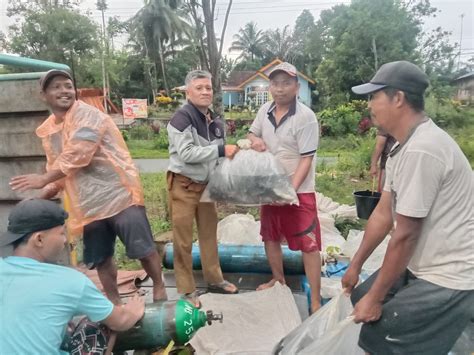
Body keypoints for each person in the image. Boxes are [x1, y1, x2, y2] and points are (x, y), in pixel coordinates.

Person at [343, 61, 474, 354]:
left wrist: (376, 300)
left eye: (374, 97)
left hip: (450, 275)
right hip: (420, 263)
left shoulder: (423, 149)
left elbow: (405, 235)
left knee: (380, 334)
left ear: (398, 98)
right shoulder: (401, 146)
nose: (370, 105)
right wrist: (355, 266)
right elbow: (382, 214)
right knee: (360, 296)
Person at [9, 69, 166, 305]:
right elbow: (59, 171)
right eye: (56, 87)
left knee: (142, 248)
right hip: (89, 205)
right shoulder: (51, 129)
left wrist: (42, 180)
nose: (64, 91)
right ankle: (114, 303)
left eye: (67, 85)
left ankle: (160, 286)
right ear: (43, 94)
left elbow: (77, 155)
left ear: (75, 91)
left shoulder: (88, 115)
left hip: (119, 195)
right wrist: (40, 197)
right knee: (100, 257)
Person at [0, 199, 145, 355]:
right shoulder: (70, 281)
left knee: (64, 324)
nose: (65, 240)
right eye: (62, 233)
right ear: (39, 239)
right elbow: (120, 322)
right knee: (96, 324)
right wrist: (133, 311)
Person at [247, 62, 322, 313]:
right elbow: (251, 134)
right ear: (270, 86)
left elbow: (307, 158)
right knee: (270, 235)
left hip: (299, 191)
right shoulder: (264, 110)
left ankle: (315, 298)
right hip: (269, 185)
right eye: (275, 83)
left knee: (309, 244)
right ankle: (278, 280)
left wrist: (289, 189)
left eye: (286, 83)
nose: (280, 89)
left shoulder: (306, 117)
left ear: (296, 87)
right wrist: (255, 140)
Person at [166, 70, 239, 306]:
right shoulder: (181, 119)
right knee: (183, 239)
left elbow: (219, 156)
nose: (205, 92)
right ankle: (187, 290)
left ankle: (214, 279)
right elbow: (187, 154)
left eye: (208, 88)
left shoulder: (215, 120)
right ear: (188, 92)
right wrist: (221, 151)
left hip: (207, 187)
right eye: (199, 88)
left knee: (209, 234)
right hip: (184, 185)